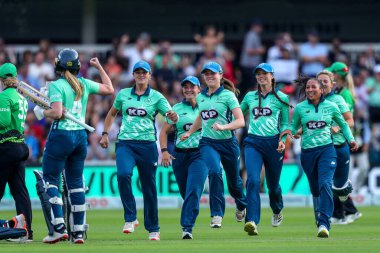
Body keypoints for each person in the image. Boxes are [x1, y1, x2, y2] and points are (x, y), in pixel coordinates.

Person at [33, 48, 114, 244]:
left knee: (51, 180)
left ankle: (59, 228)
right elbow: (109, 88)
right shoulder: (84, 83)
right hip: (80, 137)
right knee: (76, 184)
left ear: (58, 65)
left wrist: (41, 112)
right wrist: (99, 66)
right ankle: (78, 232)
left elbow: (58, 112)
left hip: (61, 135)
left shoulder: (57, 85)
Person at [99, 60, 178, 241]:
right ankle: (130, 218)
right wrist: (105, 134)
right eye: (138, 72)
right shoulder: (124, 94)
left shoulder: (157, 97)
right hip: (126, 143)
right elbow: (112, 113)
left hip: (147, 145)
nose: (141, 75)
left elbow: (171, 115)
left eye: (144, 72)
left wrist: (173, 116)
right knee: (123, 175)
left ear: (149, 75)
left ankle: (153, 229)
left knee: (149, 188)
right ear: (133, 75)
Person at [280, 76, 358, 238]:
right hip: (307, 153)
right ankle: (329, 209)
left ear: (321, 90)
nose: (310, 90)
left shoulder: (331, 106)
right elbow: (294, 126)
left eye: (313, 87)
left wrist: (351, 139)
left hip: (327, 150)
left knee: (325, 184)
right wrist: (289, 133)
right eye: (307, 88)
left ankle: (324, 223)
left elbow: (343, 123)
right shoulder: (301, 108)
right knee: (316, 189)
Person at [181, 61, 247, 228]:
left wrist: (223, 126)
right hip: (208, 142)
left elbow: (240, 121)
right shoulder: (201, 96)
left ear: (221, 75)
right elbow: (201, 117)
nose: (209, 76)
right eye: (206, 74)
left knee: (234, 182)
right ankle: (217, 214)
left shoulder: (228, 96)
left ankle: (241, 204)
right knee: (214, 172)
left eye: (213, 73)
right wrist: (190, 132)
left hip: (228, 142)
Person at [240, 63, 291, 236]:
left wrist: (283, 140)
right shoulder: (249, 97)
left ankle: (277, 209)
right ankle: (252, 221)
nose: (261, 76)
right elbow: (238, 114)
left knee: (273, 185)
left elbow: (285, 123)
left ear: (272, 76)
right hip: (253, 142)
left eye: (265, 73)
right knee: (253, 180)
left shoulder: (282, 97)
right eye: (258, 74)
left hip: (273, 144)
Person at [159, 76, 207, 240]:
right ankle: (191, 214)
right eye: (185, 86)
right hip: (179, 156)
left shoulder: (206, 107)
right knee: (186, 193)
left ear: (199, 89)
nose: (188, 89)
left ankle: (187, 228)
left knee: (193, 190)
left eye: (192, 87)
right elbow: (164, 132)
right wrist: (164, 151)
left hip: (200, 155)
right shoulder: (177, 108)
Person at [317, 69, 355, 224]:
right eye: (319, 81)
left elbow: (350, 121)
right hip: (324, 147)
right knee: (324, 183)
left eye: (325, 81)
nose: (321, 84)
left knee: (339, 187)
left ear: (332, 84)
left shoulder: (338, 99)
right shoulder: (312, 101)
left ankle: (344, 195)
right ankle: (327, 216)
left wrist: (339, 128)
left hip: (340, 146)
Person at [326, 62, 362, 223]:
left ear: (335, 75)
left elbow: (348, 120)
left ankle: (349, 211)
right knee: (335, 180)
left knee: (338, 181)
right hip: (335, 140)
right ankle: (339, 213)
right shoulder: (340, 92)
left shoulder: (344, 94)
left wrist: (337, 128)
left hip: (342, 140)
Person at [0, 63, 33, 240]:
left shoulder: (4, 97)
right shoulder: (21, 97)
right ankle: (27, 232)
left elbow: (4, 123)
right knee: (20, 191)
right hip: (20, 147)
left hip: (6, 147)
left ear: (2, 80)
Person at [239, 19, 265, 97]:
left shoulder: (255, 35)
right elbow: (249, 50)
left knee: (250, 85)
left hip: (251, 66)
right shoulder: (251, 35)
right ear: (255, 26)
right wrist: (259, 50)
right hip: (248, 66)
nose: (261, 28)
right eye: (259, 26)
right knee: (249, 86)